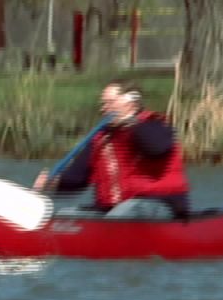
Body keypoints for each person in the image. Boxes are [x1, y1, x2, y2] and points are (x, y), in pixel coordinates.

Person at [33, 79, 190, 219]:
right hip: (113, 209)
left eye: (110, 103)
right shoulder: (101, 138)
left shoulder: (154, 125)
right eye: (103, 104)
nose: (104, 109)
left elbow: (156, 148)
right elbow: (78, 177)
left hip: (158, 203)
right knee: (65, 216)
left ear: (131, 103)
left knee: (121, 214)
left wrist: (132, 122)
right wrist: (54, 183)